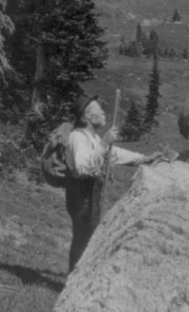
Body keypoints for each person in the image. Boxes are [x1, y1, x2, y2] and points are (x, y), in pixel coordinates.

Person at [64, 94, 161, 273]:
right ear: (87, 117)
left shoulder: (91, 137)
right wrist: (104, 143)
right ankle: (74, 280)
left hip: (90, 192)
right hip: (81, 193)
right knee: (85, 239)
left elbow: (113, 153)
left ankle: (78, 277)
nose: (104, 114)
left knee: (88, 238)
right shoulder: (77, 137)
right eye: (100, 111)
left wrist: (143, 158)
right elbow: (83, 166)